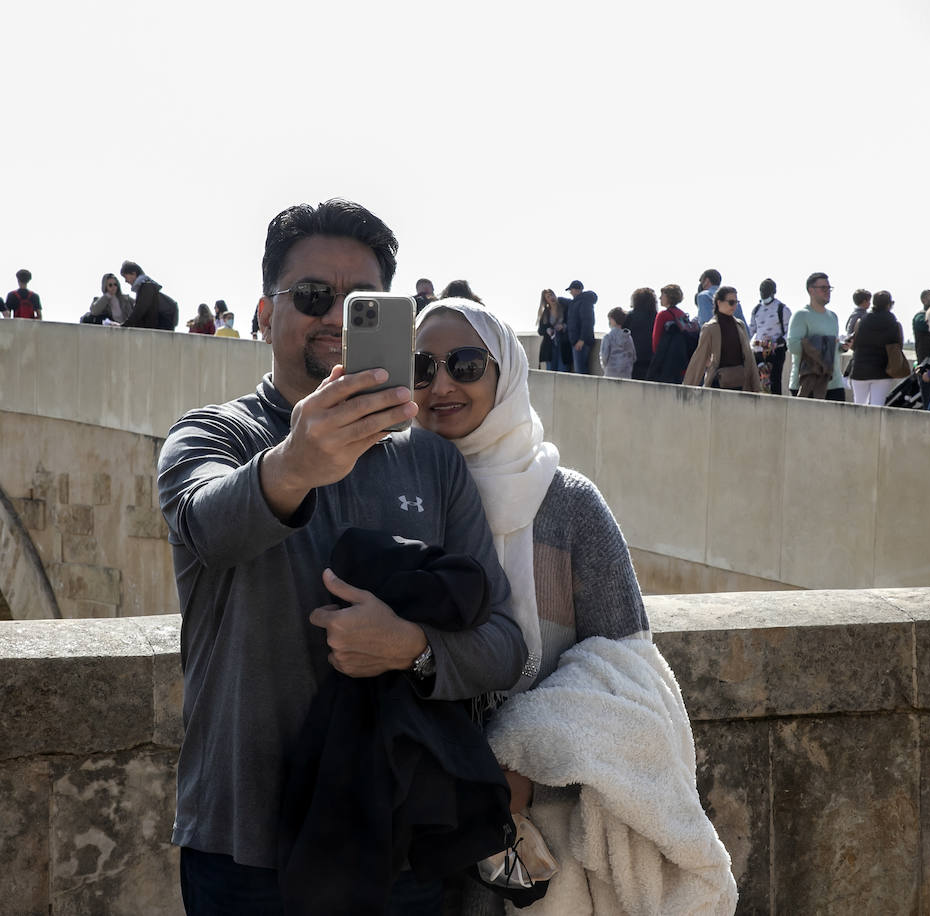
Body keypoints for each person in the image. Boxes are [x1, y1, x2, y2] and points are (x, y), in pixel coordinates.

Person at [157, 199, 525, 914]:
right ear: (265, 314)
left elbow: (503, 643)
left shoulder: (431, 460)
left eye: (359, 303)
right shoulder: (211, 436)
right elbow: (206, 525)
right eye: (313, 297)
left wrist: (412, 650)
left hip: (399, 847)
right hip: (247, 851)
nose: (333, 317)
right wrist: (295, 463)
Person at [412, 300, 737, 915]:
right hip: (416, 826)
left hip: (545, 838)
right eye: (423, 368)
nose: (443, 385)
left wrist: (523, 757)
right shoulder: (396, 495)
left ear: (504, 373)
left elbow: (624, 663)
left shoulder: (569, 505)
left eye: (465, 364)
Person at [684, 287, 761, 392]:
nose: (734, 306)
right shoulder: (710, 327)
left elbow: (749, 358)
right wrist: (687, 389)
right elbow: (699, 358)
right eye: (731, 302)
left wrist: (756, 388)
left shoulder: (740, 325)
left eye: (736, 302)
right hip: (718, 385)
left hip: (741, 384)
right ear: (719, 303)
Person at [787, 272, 847, 399]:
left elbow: (832, 348)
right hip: (807, 384)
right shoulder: (801, 315)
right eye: (823, 288)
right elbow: (793, 347)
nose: (827, 291)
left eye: (829, 288)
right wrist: (824, 343)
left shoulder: (833, 316)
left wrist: (842, 346)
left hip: (834, 383)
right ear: (811, 290)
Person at [848, 290, 905, 406]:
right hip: (882, 372)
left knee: (858, 406)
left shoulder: (861, 321)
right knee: (877, 407)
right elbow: (899, 347)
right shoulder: (895, 324)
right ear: (889, 304)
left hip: (860, 370)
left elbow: (854, 345)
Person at [750, 279, 791, 394]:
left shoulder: (782, 309)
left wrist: (779, 341)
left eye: (767, 291)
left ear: (774, 292)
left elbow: (790, 331)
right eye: (762, 291)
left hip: (776, 351)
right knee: (759, 382)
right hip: (759, 352)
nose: (764, 294)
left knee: (774, 381)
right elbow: (751, 330)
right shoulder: (756, 309)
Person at [120, 260, 173, 330]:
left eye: (125, 277)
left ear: (133, 273)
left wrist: (124, 326)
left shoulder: (147, 287)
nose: (126, 281)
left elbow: (139, 311)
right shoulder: (145, 287)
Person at [559, 281, 597, 375]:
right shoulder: (576, 302)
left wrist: (582, 339)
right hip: (576, 341)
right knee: (579, 369)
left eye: (571, 290)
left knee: (580, 371)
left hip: (581, 342)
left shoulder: (585, 302)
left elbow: (587, 322)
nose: (571, 292)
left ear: (576, 290)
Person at [623, 287, 656, 381]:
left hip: (633, 356)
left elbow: (624, 334)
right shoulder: (655, 316)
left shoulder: (631, 316)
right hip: (650, 357)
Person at [535, 289, 568, 372]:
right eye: (548, 297)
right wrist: (547, 330)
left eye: (552, 295)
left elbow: (570, 323)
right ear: (546, 300)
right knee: (550, 371)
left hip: (563, 345)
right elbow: (540, 330)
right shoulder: (545, 312)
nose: (551, 298)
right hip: (550, 346)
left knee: (562, 370)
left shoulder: (564, 308)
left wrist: (563, 326)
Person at [600, 306, 636, 379]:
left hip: (610, 373)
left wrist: (605, 367)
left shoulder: (608, 337)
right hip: (626, 374)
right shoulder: (628, 337)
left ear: (612, 320)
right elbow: (633, 357)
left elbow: (604, 356)